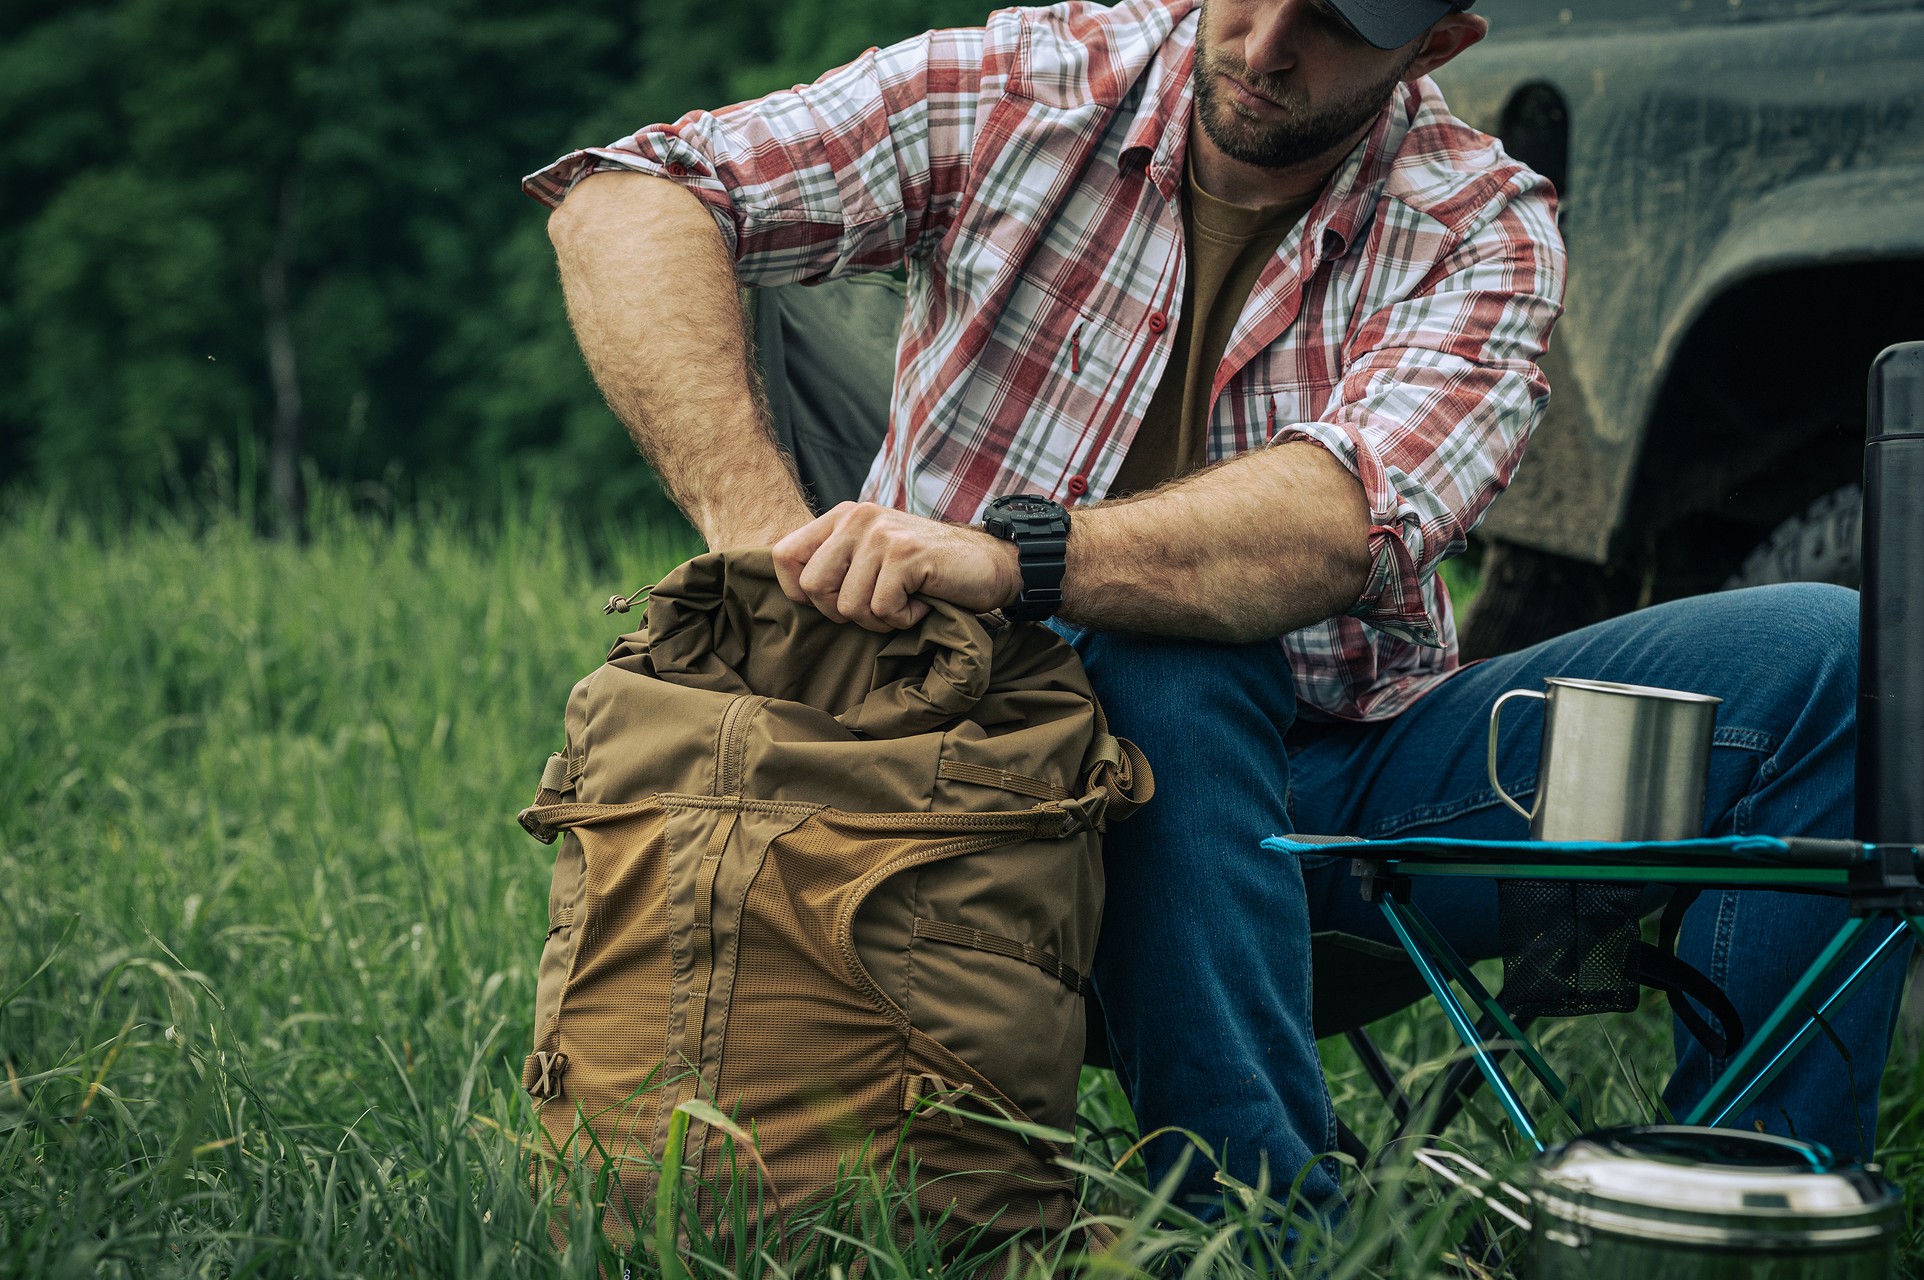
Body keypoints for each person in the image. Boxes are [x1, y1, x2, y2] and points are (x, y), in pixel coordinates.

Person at [526, 0, 1909, 1214]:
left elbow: (1332, 528)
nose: (1265, 43)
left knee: (1833, 660)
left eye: (1339, 21)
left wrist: (1014, 557)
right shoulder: (1027, 82)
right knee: (1163, 668)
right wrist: (761, 534)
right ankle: (1266, 1228)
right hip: (954, 811)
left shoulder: (1484, 228)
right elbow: (629, 197)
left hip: (1330, 821)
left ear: (1440, 43)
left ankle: (1737, 1217)